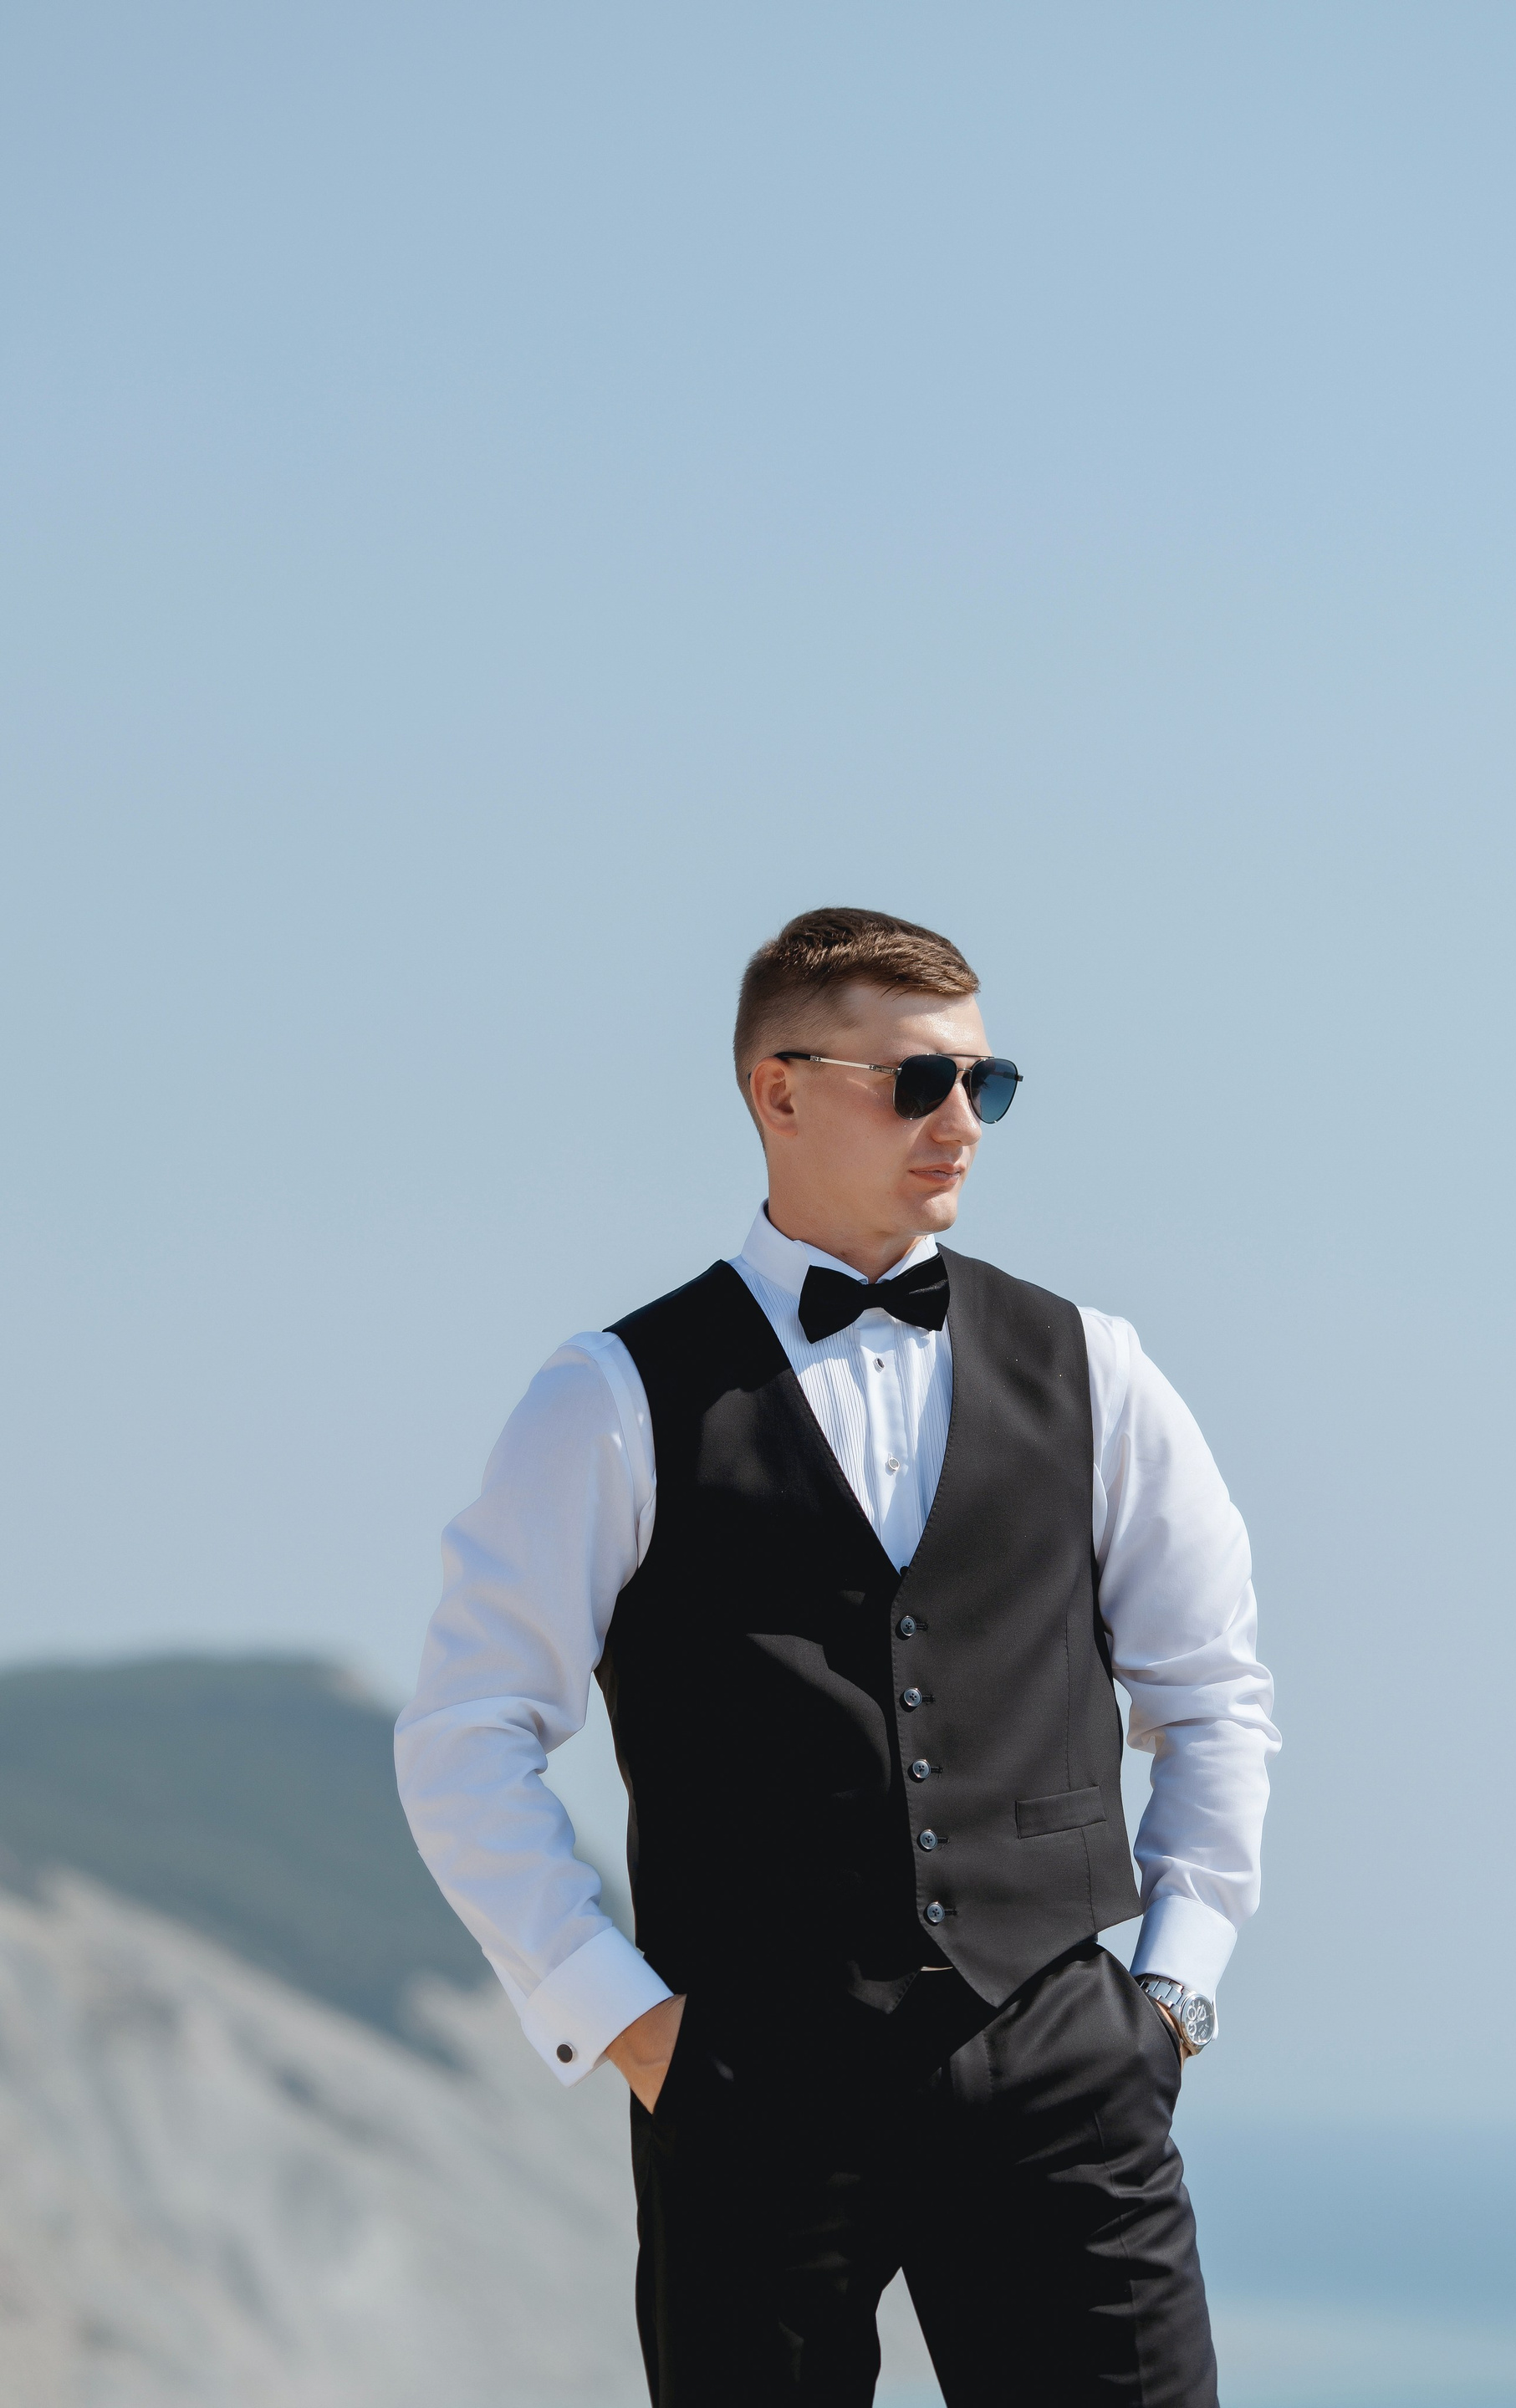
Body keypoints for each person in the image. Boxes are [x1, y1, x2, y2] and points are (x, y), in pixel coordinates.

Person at [396, 906, 1278, 2406]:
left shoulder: (1097, 1369)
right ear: (779, 1091)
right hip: (754, 2087)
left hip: (1066, 2069)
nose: (963, 1122)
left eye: (986, 1084)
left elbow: (1213, 1697)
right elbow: (466, 1731)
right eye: (918, 1081)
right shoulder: (611, 1398)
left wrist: (1173, 1994)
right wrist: (626, 2025)